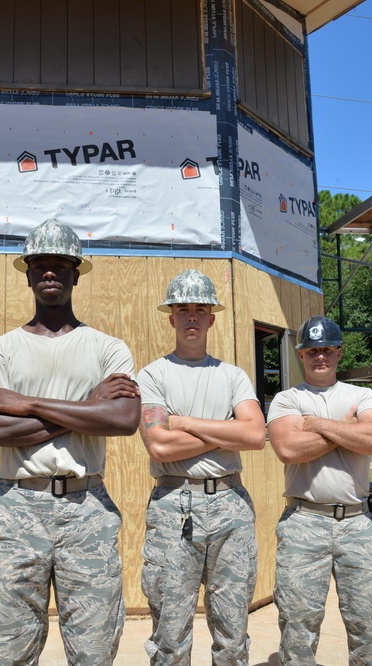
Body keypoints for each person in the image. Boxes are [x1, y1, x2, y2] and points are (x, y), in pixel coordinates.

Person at [0, 218, 141, 665]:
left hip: (87, 509)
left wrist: (22, 403)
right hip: (17, 505)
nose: (49, 273)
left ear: (75, 273)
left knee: (94, 648)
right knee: (9, 648)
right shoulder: (0, 350)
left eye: (60, 265)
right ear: (26, 274)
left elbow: (123, 419)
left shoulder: (107, 348)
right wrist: (87, 408)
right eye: (40, 265)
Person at [137, 269, 267, 666]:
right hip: (175, 504)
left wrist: (186, 422)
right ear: (171, 318)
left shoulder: (232, 376)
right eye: (183, 309)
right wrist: (229, 430)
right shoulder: (152, 375)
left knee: (232, 633)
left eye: (200, 309)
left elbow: (256, 434)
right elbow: (159, 444)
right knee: (170, 634)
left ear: (211, 318)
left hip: (230, 504)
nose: (192, 316)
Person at [266, 315, 372, 666]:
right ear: (301, 354)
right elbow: (289, 450)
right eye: (311, 351)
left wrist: (320, 426)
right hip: (304, 522)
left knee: (368, 624)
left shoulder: (363, 395)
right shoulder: (287, 400)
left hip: (358, 524)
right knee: (297, 627)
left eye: (326, 349)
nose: (319, 356)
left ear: (339, 353)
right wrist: (350, 428)